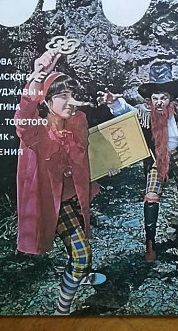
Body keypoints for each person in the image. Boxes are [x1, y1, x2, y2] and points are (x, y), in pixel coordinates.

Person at [14, 51, 111, 315]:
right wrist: (37, 78)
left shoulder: (78, 121)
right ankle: (62, 309)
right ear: (46, 101)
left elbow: (88, 152)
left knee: (83, 240)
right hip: (53, 202)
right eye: (63, 96)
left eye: (73, 95)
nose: (72, 101)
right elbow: (22, 117)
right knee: (81, 256)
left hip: (77, 194)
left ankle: (83, 275)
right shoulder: (36, 130)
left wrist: (106, 166)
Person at [99, 62, 178, 262]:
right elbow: (124, 111)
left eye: (164, 98)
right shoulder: (144, 112)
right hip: (156, 159)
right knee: (151, 196)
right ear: (150, 99)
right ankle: (150, 243)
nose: (159, 102)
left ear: (171, 98)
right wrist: (113, 102)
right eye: (155, 98)